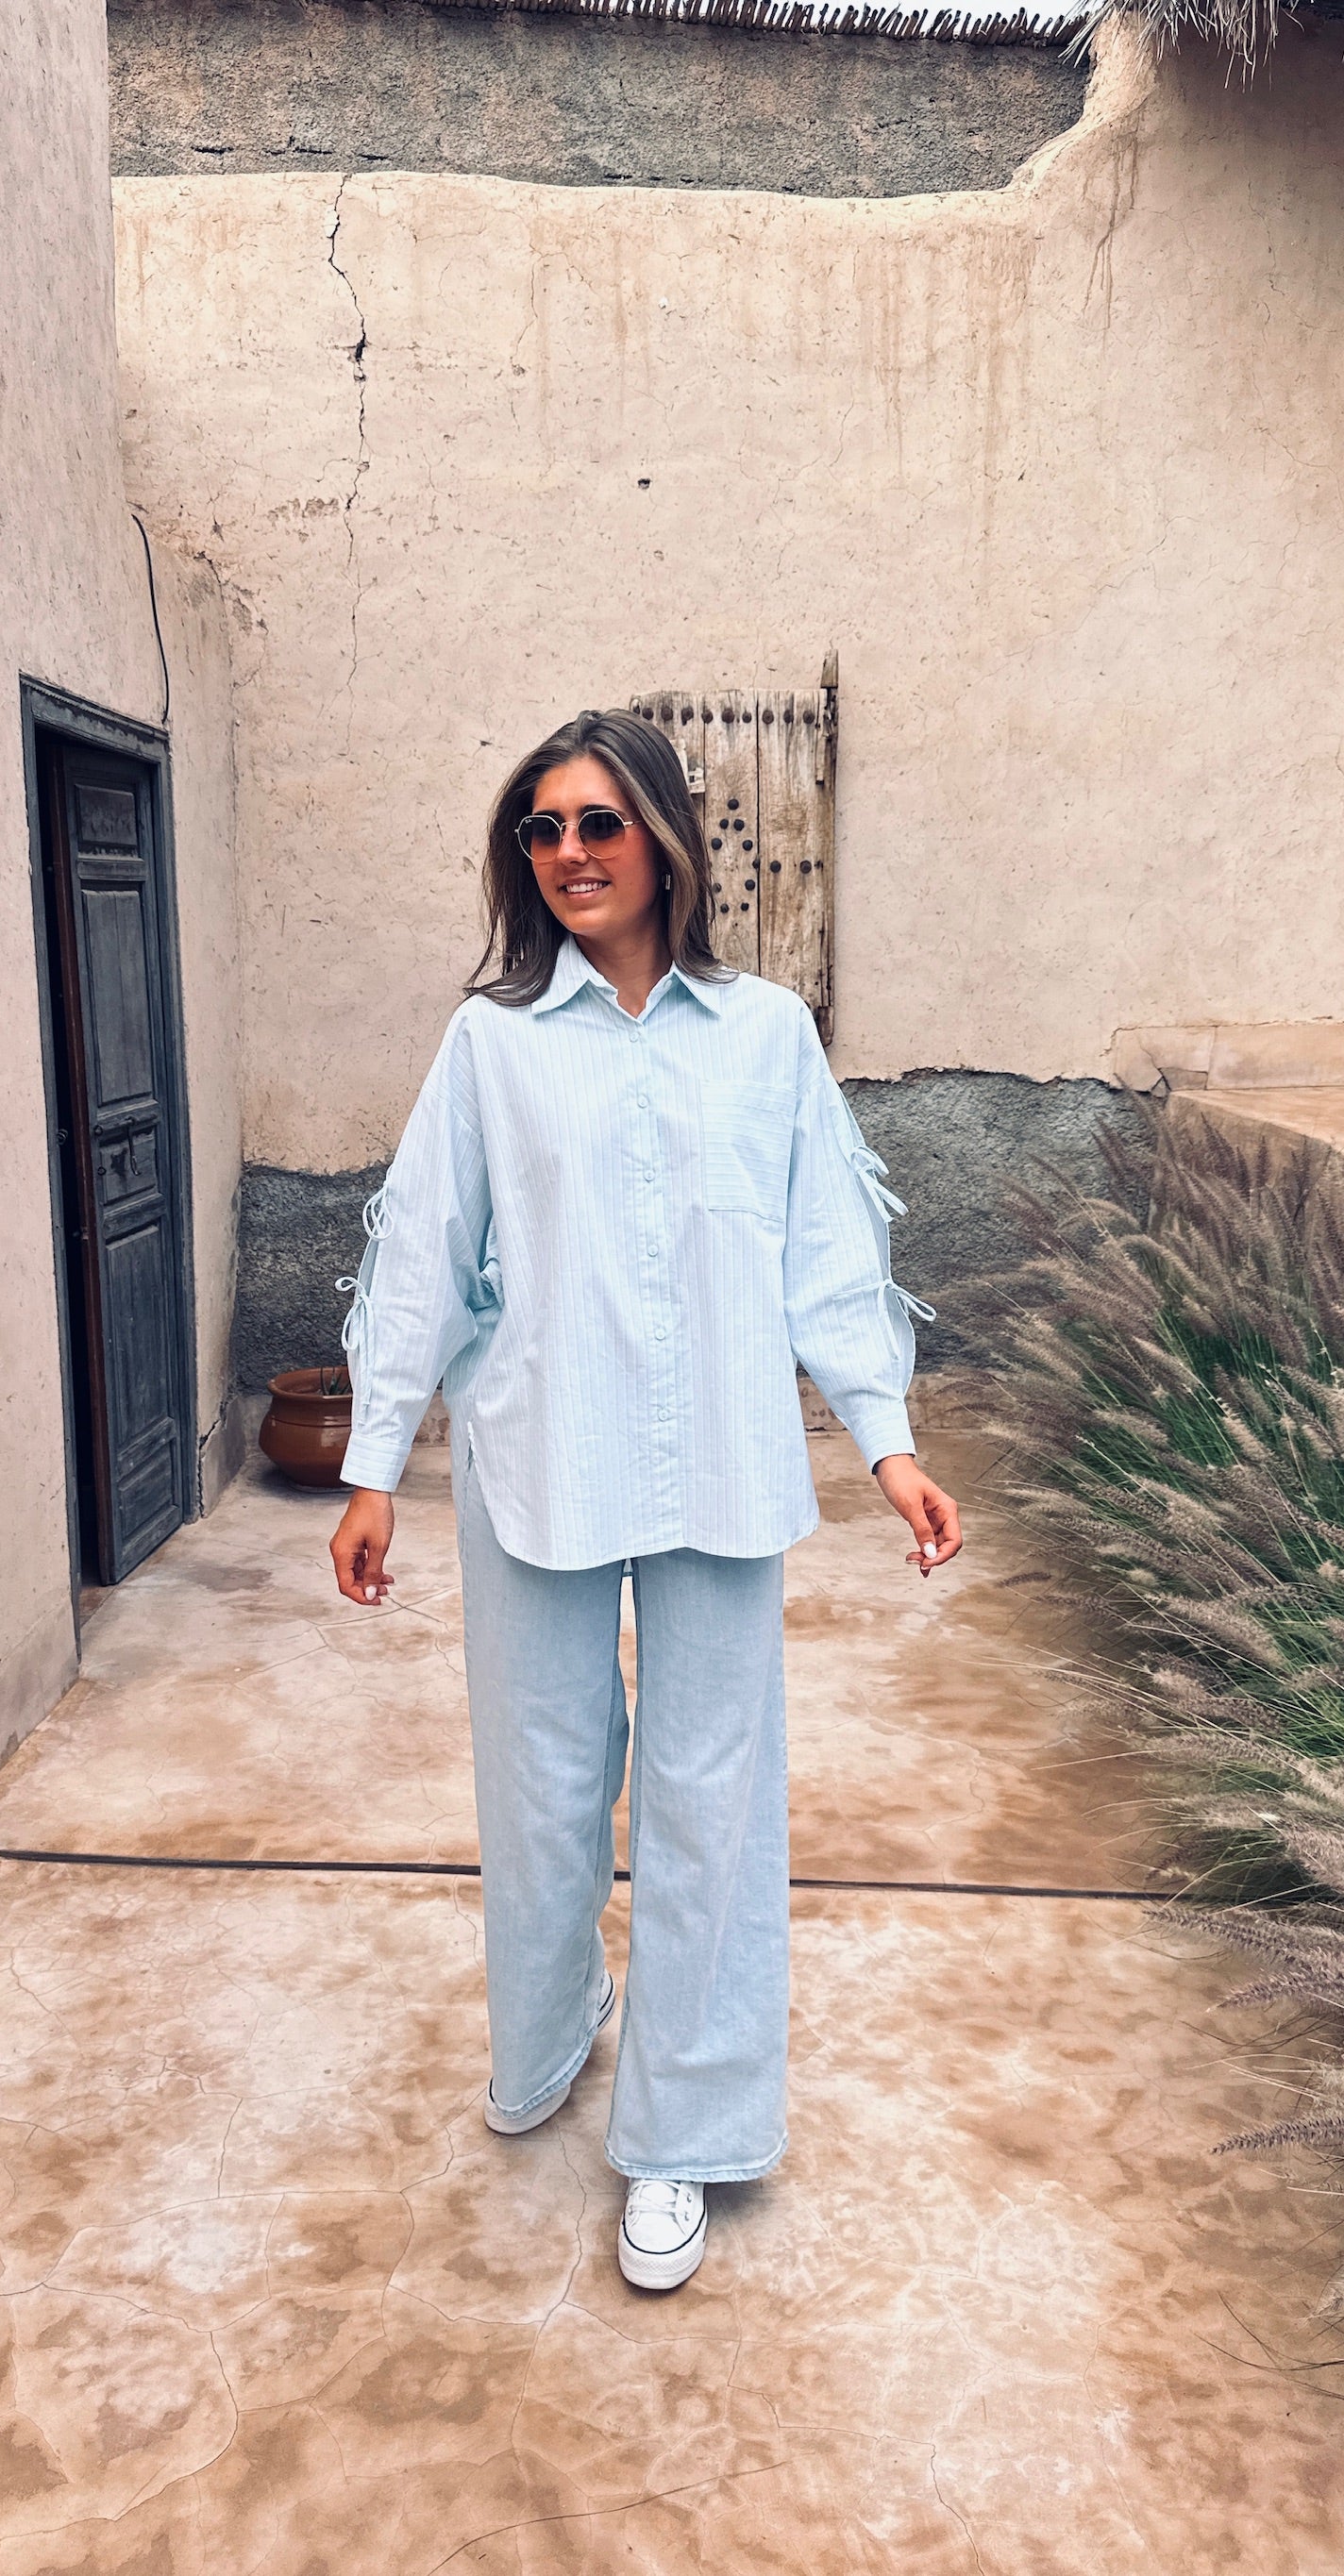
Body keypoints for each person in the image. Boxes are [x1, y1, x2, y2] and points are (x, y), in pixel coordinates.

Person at [329, 708, 962, 2293]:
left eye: (598, 822)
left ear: (665, 840)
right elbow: (424, 1247)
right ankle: (552, 2030)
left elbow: (826, 1248)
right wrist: (372, 1462)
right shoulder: (492, 1045)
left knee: (709, 1799)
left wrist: (886, 1439)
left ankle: (683, 2128)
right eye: (542, 829)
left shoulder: (767, 1035)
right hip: (537, 1456)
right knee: (543, 1786)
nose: (569, 852)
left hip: (721, 1463)